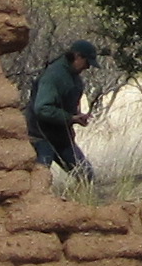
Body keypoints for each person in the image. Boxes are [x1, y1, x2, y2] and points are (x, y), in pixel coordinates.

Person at [24, 38, 106, 176]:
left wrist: (77, 117)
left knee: (86, 174)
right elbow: (42, 109)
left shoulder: (74, 77)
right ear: (77, 56)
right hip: (41, 136)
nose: (88, 67)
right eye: (87, 62)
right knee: (40, 179)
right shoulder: (54, 76)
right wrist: (70, 118)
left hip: (61, 137)